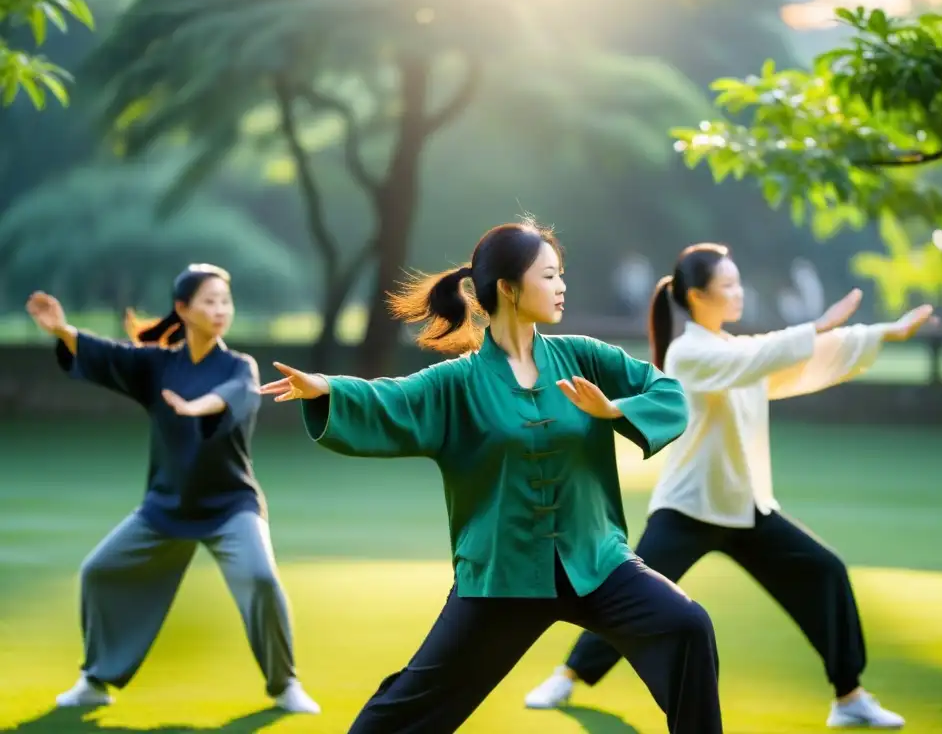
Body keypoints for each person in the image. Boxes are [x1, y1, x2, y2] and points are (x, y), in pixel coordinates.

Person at [259, 221, 723, 733]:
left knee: (686, 626)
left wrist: (615, 410)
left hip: (596, 562)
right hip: (503, 575)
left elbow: (668, 393)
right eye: (548, 276)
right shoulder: (458, 382)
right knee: (408, 708)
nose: (561, 285)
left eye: (560, 274)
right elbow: (392, 398)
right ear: (508, 288)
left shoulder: (583, 356)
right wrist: (327, 387)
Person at [526, 243, 934, 730]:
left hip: (747, 508)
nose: (739, 293)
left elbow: (791, 362)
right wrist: (818, 325)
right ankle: (569, 674)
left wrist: (883, 332)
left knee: (825, 572)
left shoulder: (735, 351)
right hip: (689, 508)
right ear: (696, 297)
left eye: (739, 283)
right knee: (630, 594)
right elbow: (765, 354)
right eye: (728, 286)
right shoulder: (689, 353)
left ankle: (849, 697)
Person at [25, 264, 319, 715]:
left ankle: (284, 686)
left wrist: (193, 407)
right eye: (209, 301)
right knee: (98, 571)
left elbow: (232, 395)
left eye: (225, 301)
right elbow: (107, 355)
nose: (220, 310)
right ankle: (96, 679)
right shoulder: (156, 364)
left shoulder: (240, 365)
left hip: (231, 507)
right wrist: (63, 330)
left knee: (260, 579)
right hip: (166, 505)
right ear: (183, 309)